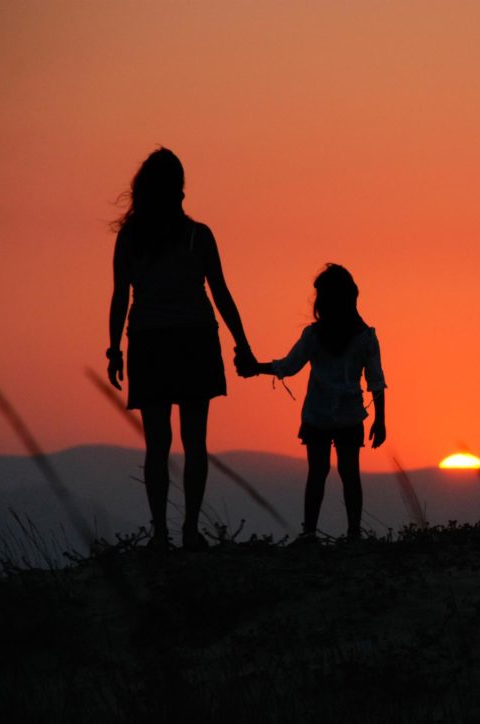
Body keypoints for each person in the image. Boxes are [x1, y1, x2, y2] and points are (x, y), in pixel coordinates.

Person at [106, 147, 256, 551]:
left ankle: (160, 533)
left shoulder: (131, 238)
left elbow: (121, 296)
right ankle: (190, 530)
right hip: (194, 340)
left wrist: (113, 348)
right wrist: (242, 344)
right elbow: (221, 293)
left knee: (157, 444)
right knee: (195, 442)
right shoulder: (197, 236)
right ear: (179, 190)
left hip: (149, 342)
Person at [239, 264, 386, 541]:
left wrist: (256, 367)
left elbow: (289, 366)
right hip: (349, 415)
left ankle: (309, 533)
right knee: (350, 474)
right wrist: (380, 419)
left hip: (317, 414)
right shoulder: (365, 337)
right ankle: (353, 531)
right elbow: (376, 381)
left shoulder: (315, 335)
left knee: (317, 473)